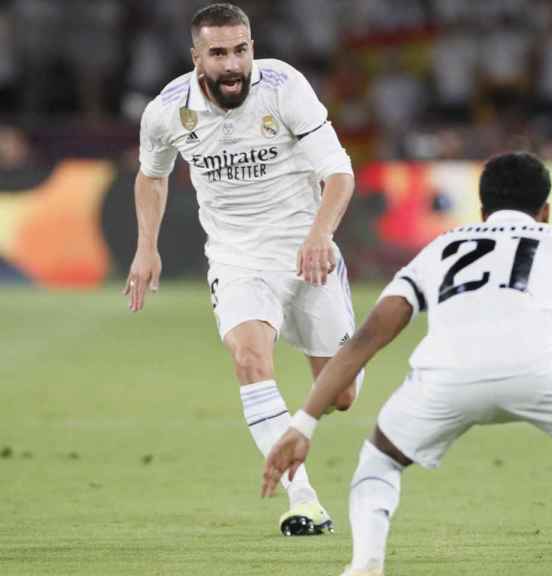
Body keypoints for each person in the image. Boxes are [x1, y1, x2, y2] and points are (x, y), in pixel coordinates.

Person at [262, 152, 552, 576]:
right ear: (546, 210)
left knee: (380, 460)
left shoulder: (442, 248)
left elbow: (367, 338)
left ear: (483, 207)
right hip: (542, 372)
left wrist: (303, 423)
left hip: (446, 376)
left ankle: (366, 563)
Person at [124, 2, 362, 536]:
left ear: (251, 46)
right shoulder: (167, 110)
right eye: (219, 53)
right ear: (196, 57)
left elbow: (339, 174)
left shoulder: (285, 87)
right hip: (237, 259)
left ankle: (320, 344)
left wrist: (321, 234)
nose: (233, 64)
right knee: (251, 360)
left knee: (341, 396)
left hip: (308, 250)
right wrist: (147, 246)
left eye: (241, 49)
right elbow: (151, 176)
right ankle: (304, 500)